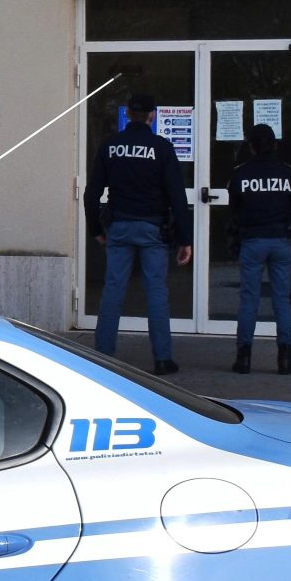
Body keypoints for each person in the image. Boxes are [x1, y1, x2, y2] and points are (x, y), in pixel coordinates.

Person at [85, 92, 192, 374]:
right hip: (152, 229)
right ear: (151, 115)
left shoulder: (110, 146)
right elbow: (177, 196)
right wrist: (185, 239)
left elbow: (91, 193)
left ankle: (102, 358)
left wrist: (96, 229)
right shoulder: (161, 147)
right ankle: (162, 359)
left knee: (113, 290)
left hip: (119, 227)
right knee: (156, 291)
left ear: (128, 113)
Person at [227, 123, 291, 374]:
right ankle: (285, 359)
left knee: (249, 299)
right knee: (282, 299)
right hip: (281, 241)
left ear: (250, 146)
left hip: (253, 241)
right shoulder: (288, 173)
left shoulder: (241, 174)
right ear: (274, 144)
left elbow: (233, 210)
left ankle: (244, 358)